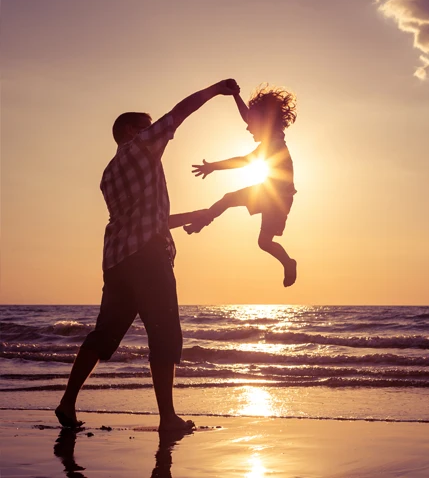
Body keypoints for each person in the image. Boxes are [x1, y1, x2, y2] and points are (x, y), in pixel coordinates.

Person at [55, 79, 239, 432]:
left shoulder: (109, 175)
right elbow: (178, 114)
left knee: (104, 335)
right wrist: (216, 89)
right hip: (149, 260)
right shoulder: (141, 147)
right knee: (164, 334)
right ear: (129, 131)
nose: (156, 131)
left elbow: (151, 220)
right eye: (146, 125)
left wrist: (196, 214)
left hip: (118, 261)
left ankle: (67, 402)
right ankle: (168, 419)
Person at [184, 84, 298, 287]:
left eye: (252, 123)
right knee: (228, 199)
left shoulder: (274, 144)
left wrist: (213, 167)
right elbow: (248, 116)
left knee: (264, 242)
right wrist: (235, 96)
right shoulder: (270, 135)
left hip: (279, 198)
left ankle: (288, 262)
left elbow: (244, 160)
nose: (247, 126)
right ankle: (203, 221)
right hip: (267, 190)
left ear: (265, 121)